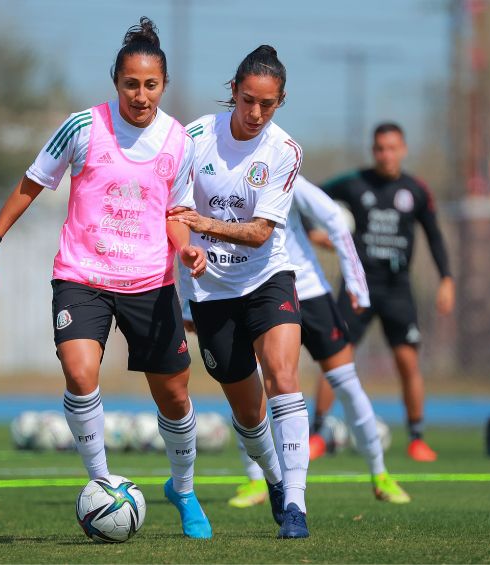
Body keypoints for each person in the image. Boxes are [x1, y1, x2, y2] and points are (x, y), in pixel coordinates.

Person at [0, 17, 213, 539]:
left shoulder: (179, 141)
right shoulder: (83, 127)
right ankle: (104, 485)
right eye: (131, 84)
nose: (141, 95)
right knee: (80, 373)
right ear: (116, 82)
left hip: (150, 282)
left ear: (162, 86)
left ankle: (184, 489)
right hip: (82, 276)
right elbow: (32, 183)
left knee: (173, 396)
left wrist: (187, 248)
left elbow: (175, 212)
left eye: (150, 85)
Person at [169, 45, 309, 539]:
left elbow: (258, 233)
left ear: (280, 102)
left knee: (283, 374)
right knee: (249, 414)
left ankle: (295, 504)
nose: (255, 114)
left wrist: (203, 224)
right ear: (233, 91)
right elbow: (174, 213)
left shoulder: (283, 152)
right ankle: (273, 477)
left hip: (267, 278)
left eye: (267, 105)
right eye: (247, 100)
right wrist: (187, 251)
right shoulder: (193, 138)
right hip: (211, 292)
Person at [226, 174, 411, 508]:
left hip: (308, 291)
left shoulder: (281, 172)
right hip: (256, 291)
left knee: (346, 382)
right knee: (251, 387)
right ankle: (256, 480)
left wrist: (356, 281)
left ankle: (380, 474)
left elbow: (334, 218)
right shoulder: (221, 177)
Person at [315, 122, 455, 462]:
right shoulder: (353, 183)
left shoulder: (416, 190)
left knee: (408, 361)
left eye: (392, 148)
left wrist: (446, 279)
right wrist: (317, 237)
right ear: (373, 150)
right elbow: (308, 195)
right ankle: (316, 434)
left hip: (397, 288)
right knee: (335, 357)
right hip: (356, 285)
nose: (385, 154)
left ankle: (417, 438)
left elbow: (434, 235)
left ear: (403, 150)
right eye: (379, 148)